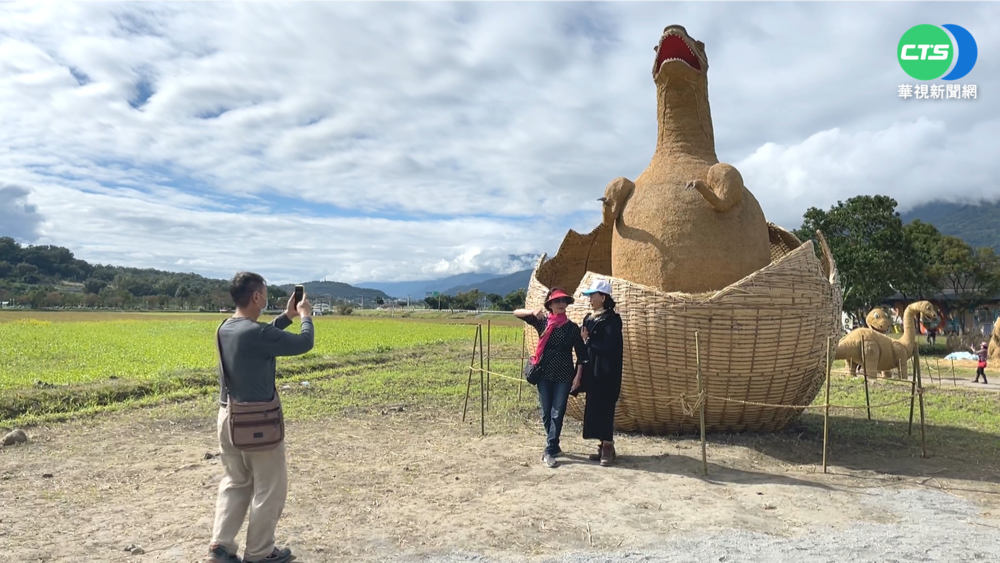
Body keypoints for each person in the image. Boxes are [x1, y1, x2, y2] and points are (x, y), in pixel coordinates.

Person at [206, 272, 314, 563]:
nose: (266, 298)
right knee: (269, 488)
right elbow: (304, 342)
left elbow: (261, 336)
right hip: (258, 422)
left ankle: (221, 547)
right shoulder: (257, 334)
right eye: (264, 293)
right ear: (257, 297)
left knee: (236, 483)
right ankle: (260, 552)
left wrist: (286, 317)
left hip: (227, 417)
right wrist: (305, 316)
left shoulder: (226, 328)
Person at [514, 287, 586, 468]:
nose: (561, 304)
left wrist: (578, 377)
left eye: (564, 301)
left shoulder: (572, 328)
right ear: (550, 305)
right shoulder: (543, 323)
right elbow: (516, 312)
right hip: (544, 373)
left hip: (564, 374)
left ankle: (549, 450)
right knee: (546, 412)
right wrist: (531, 311)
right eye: (557, 301)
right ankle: (554, 444)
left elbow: (582, 355)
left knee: (557, 412)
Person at [574, 278, 624, 467]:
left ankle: (608, 446)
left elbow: (610, 346)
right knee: (594, 409)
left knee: (606, 409)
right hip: (592, 371)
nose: (590, 299)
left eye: (592, 296)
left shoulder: (612, 320)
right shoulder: (589, 318)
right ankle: (601, 444)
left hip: (607, 372)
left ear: (603, 297)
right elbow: (583, 346)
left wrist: (588, 341)